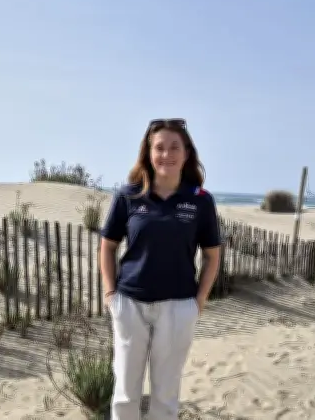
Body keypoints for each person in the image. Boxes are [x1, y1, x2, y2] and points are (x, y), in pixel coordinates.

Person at [99, 118, 222, 420]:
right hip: (130, 304)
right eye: (159, 148)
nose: (166, 155)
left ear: (187, 153)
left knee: (165, 394)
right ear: (148, 153)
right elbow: (108, 246)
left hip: (178, 306)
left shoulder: (200, 201)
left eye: (174, 147)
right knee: (126, 392)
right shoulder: (128, 196)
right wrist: (110, 292)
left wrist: (199, 301)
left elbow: (212, 256)